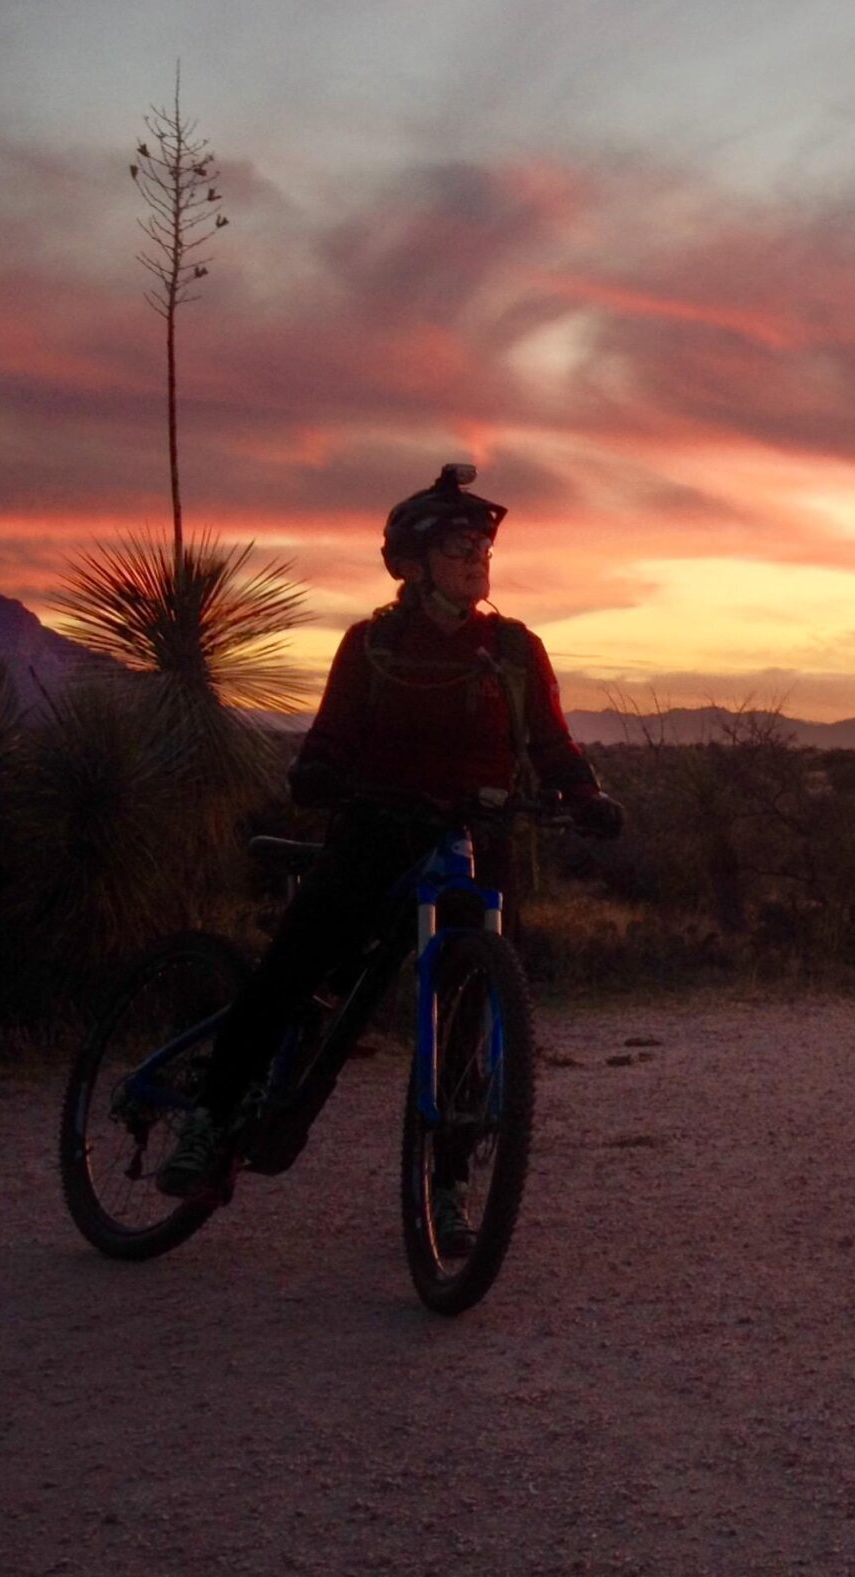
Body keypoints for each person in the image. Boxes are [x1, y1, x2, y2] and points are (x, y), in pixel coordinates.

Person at [157, 464, 623, 1241]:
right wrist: (320, 771)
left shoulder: (513, 649)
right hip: (377, 835)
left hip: (479, 844)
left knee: (470, 1016)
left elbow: (551, 743)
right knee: (296, 969)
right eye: (457, 545)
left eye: (482, 546)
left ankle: (448, 1184)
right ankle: (208, 1119)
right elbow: (333, 736)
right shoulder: (371, 644)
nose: (477, 558)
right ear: (411, 563)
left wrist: (586, 795)